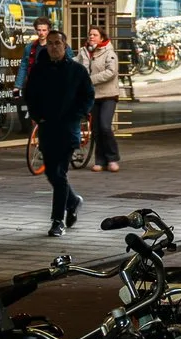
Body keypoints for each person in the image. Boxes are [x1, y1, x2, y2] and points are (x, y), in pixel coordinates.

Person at [23, 29, 93, 235]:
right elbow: (30, 96)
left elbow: (88, 95)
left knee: (59, 174)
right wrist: (38, 115)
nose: (53, 47)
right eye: (50, 44)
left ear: (65, 46)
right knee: (52, 173)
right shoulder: (38, 70)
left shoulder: (77, 71)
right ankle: (73, 201)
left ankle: (57, 221)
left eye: (57, 43)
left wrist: (78, 114)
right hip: (47, 128)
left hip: (68, 129)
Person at [83, 23, 122, 170]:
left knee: (105, 126)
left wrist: (90, 79)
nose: (91, 37)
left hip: (108, 95)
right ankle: (100, 160)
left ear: (102, 38)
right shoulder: (85, 52)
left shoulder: (109, 53)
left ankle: (112, 158)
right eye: (90, 34)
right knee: (96, 129)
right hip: (93, 96)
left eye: (95, 35)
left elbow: (111, 72)